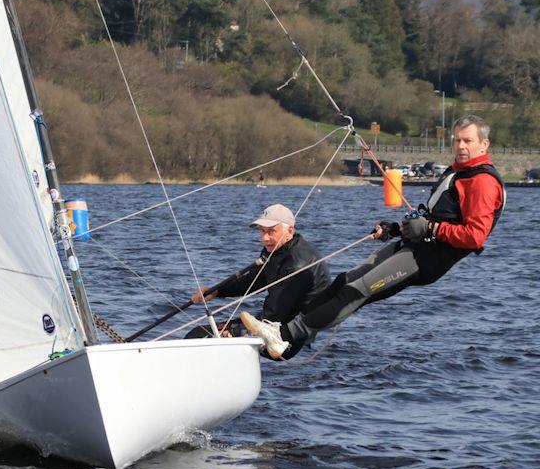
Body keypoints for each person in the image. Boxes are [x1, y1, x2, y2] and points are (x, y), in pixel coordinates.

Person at [243, 115, 505, 359]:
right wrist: (396, 228)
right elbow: (436, 218)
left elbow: (474, 237)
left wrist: (429, 229)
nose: (460, 146)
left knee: (356, 291)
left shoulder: (481, 181)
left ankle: (283, 336)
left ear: (484, 144)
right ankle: (285, 332)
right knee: (344, 281)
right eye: (457, 140)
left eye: (467, 141)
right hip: (414, 246)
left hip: (427, 260)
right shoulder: (459, 172)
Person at [185, 203, 331, 360]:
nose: (264, 238)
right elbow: (252, 281)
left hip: (283, 340)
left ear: (290, 231)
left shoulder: (297, 264)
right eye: (262, 231)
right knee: (201, 334)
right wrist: (217, 291)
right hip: (272, 323)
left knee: (201, 336)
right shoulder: (277, 249)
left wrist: (233, 333)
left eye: (271, 231)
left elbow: (275, 315)